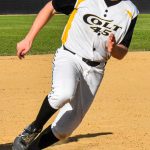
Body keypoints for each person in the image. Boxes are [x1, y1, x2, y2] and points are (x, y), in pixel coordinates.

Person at [12, 0, 139, 149]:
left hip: (96, 70)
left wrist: (114, 49)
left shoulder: (131, 10)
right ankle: (32, 129)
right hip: (70, 56)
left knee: (65, 128)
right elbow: (51, 7)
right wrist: (29, 38)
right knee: (63, 93)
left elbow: (122, 51)